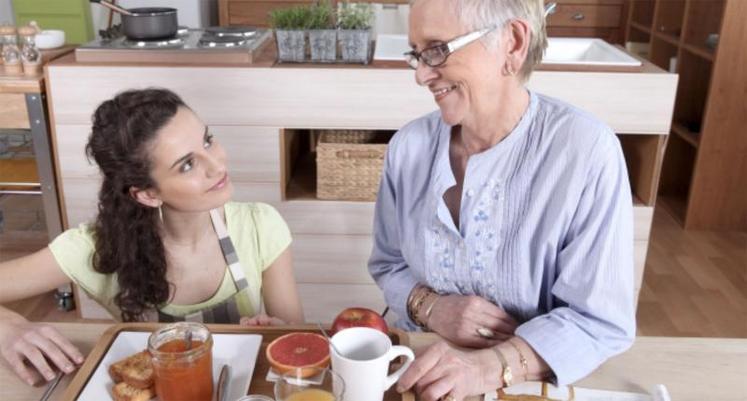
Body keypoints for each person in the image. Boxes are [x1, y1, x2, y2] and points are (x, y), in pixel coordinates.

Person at [368, 0, 635, 400]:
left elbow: (598, 321)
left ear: (512, 43)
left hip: (534, 383)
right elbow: (388, 264)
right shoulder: (408, 147)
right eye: (416, 54)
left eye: (437, 49)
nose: (422, 74)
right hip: (422, 373)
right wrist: (430, 307)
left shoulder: (586, 151)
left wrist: (492, 366)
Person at [0, 88, 304, 386]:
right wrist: (7, 328)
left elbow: (298, 344)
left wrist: (277, 333)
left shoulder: (260, 226)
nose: (217, 165)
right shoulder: (94, 248)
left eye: (208, 141)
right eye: (187, 164)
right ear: (147, 194)